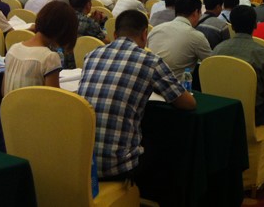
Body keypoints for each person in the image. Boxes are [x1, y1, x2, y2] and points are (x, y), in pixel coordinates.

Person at [79, 10, 196, 181]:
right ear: (144, 34)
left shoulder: (91, 55)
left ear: (115, 34)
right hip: (118, 166)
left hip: (83, 161)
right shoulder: (150, 61)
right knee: (167, 144)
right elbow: (188, 103)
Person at [213, 6, 264, 126]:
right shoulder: (262, 53)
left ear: (232, 26)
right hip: (253, 114)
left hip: (221, 110)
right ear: (255, 25)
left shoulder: (218, 49)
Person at [3, 1, 78, 94]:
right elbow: (53, 97)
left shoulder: (13, 48)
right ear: (63, 32)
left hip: (8, 103)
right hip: (34, 103)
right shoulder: (50, 57)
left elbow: (3, 90)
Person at [147, 0, 212, 80]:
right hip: (174, 86)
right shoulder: (196, 36)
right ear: (196, 12)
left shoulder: (155, 29)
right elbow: (212, 64)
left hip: (148, 81)